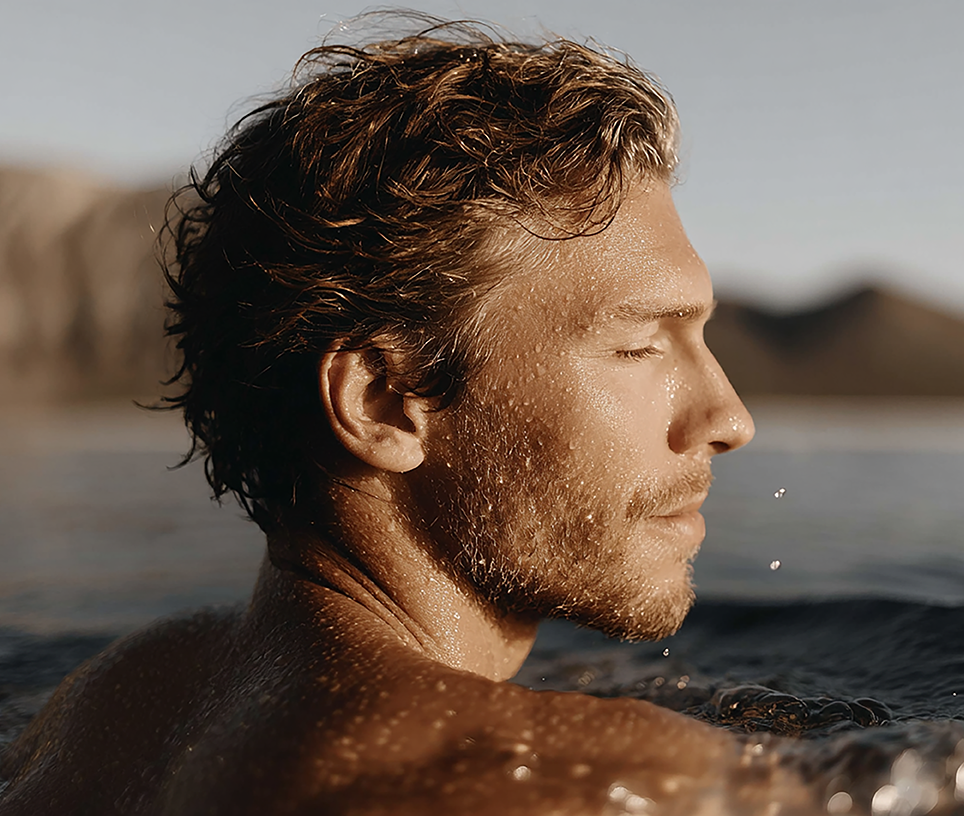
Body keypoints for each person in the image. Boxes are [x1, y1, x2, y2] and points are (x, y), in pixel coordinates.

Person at [0, 16, 814, 816]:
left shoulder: (116, 698)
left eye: (699, 338)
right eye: (639, 347)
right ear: (383, 402)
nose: (730, 417)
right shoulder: (568, 782)